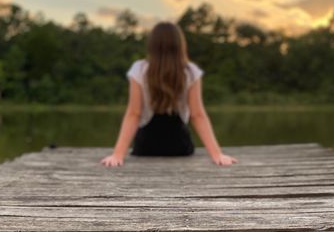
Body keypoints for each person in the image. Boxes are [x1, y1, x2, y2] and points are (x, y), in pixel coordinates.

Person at [100, 21, 237, 167]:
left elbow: (134, 114)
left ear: (152, 45)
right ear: (180, 45)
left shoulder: (139, 69)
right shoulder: (190, 71)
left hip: (146, 147)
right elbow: (197, 115)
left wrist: (118, 155)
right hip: (179, 146)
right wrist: (217, 154)